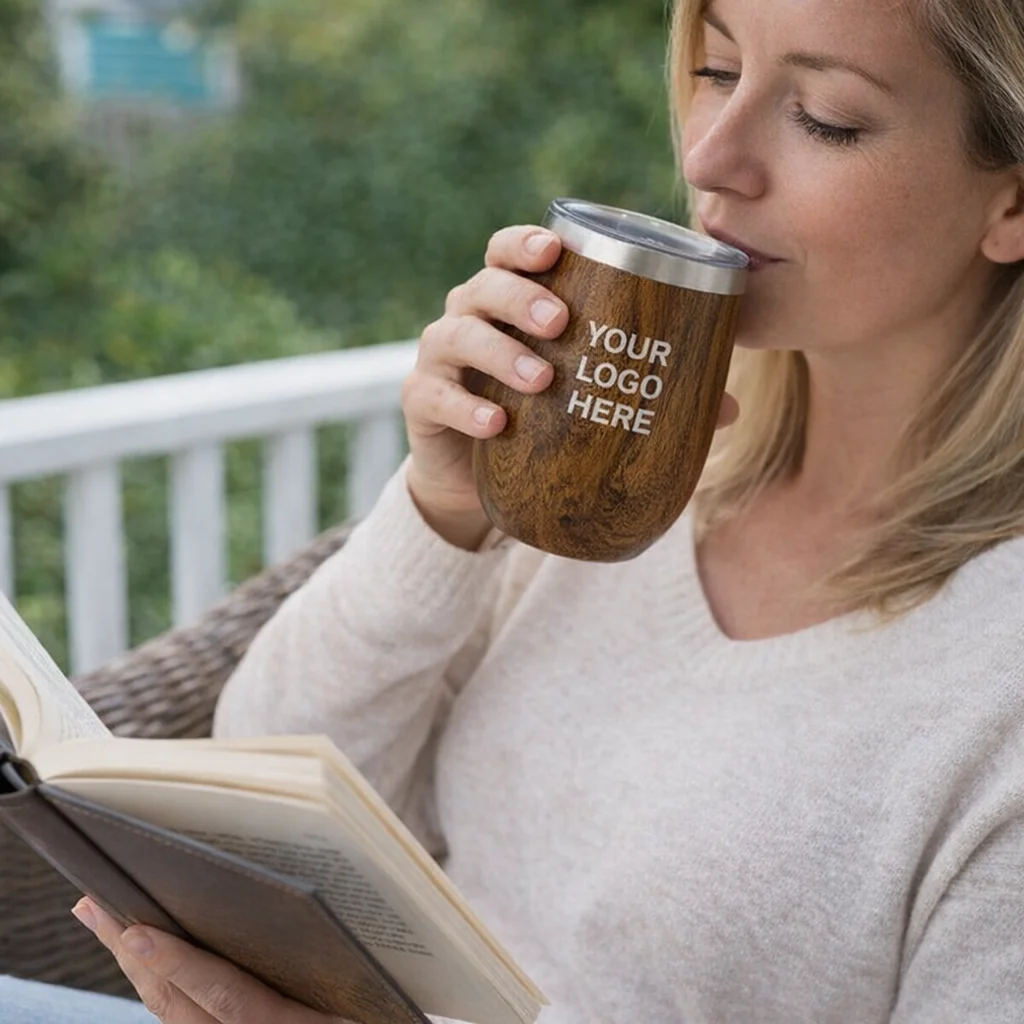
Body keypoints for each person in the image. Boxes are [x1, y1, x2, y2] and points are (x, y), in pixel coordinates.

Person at [7, 0, 1024, 1020]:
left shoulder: (990, 688)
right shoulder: (610, 481)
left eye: (825, 118)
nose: (709, 157)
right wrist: (440, 513)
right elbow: (257, 796)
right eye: (716, 72)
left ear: (1012, 199)